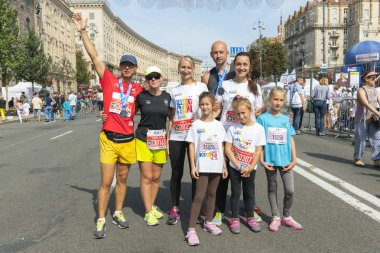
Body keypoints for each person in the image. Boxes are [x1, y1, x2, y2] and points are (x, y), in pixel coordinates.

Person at [72, 13, 143, 239]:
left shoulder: (139, 90)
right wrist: (83, 31)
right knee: (105, 181)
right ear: (120, 67)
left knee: (122, 180)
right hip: (109, 139)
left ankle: (118, 212)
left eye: (130, 65)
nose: (126, 67)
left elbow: (154, 104)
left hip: (128, 140)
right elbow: (94, 56)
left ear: (135, 69)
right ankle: (101, 218)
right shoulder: (110, 80)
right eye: (124, 64)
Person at [213, 51, 264, 226]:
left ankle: (249, 210)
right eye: (239, 64)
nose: (242, 67)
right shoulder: (225, 85)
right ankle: (219, 210)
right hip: (227, 137)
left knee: (248, 177)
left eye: (245, 64)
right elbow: (217, 108)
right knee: (224, 177)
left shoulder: (254, 87)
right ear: (234, 66)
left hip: (247, 141)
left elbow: (258, 109)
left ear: (249, 67)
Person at [166, 55, 209, 225]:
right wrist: (167, 139)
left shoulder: (201, 87)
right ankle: (174, 208)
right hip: (177, 136)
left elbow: (208, 108)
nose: (185, 70)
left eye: (188, 67)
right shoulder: (174, 91)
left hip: (196, 136)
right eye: (183, 67)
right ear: (179, 69)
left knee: (195, 174)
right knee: (176, 173)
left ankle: (195, 208)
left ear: (193, 69)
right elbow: (171, 117)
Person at [257, 87, 302, 232]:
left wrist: (294, 159)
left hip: (286, 159)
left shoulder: (285, 120)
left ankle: (287, 216)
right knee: (272, 187)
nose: (278, 102)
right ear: (269, 100)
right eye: (275, 99)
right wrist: (262, 160)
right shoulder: (262, 119)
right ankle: (275, 216)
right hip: (270, 159)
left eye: (281, 100)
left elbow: (291, 139)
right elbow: (259, 142)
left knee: (290, 190)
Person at [185, 92, 227, 246]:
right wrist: (193, 165)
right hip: (202, 166)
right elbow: (191, 145)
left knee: (212, 194)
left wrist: (223, 165)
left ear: (212, 105)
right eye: (202, 104)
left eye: (207, 104)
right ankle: (190, 229)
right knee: (198, 196)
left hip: (216, 166)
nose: (204, 107)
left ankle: (208, 222)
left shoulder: (219, 125)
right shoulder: (196, 124)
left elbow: (221, 146)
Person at [135, 66, 172, 226]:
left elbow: (172, 119)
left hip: (160, 141)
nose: (153, 80)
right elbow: (127, 114)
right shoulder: (141, 97)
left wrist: (168, 141)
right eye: (150, 77)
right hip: (143, 139)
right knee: (147, 177)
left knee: (156, 177)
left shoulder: (167, 97)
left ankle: (151, 204)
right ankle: (148, 211)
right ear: (146, 80)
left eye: (156, 76)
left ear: (161, 78)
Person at [225, 97, 266, 234]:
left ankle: (250, 217)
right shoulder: (232, 128)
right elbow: (228, 149)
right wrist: (238, 166)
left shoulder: (258, 129)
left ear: (250, 111)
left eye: (244, 113)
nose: (241, 116)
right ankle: (235, 218)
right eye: (238, 114)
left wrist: (250, 167)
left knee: (249, 193)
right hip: (235, 167)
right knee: (236, 193)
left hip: (250, 168)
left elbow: (258, 150)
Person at [353, 71, 380, 167]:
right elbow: (366, 104)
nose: (375, 79)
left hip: (373, 118)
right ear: (366, 79)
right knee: (361, 139)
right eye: (373, 78)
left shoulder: (374, 90)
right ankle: (357, 158)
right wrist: (378, 112)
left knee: (376, 138)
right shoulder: (361, 90)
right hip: (361, 118)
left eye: (375, 78)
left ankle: (377, 159)